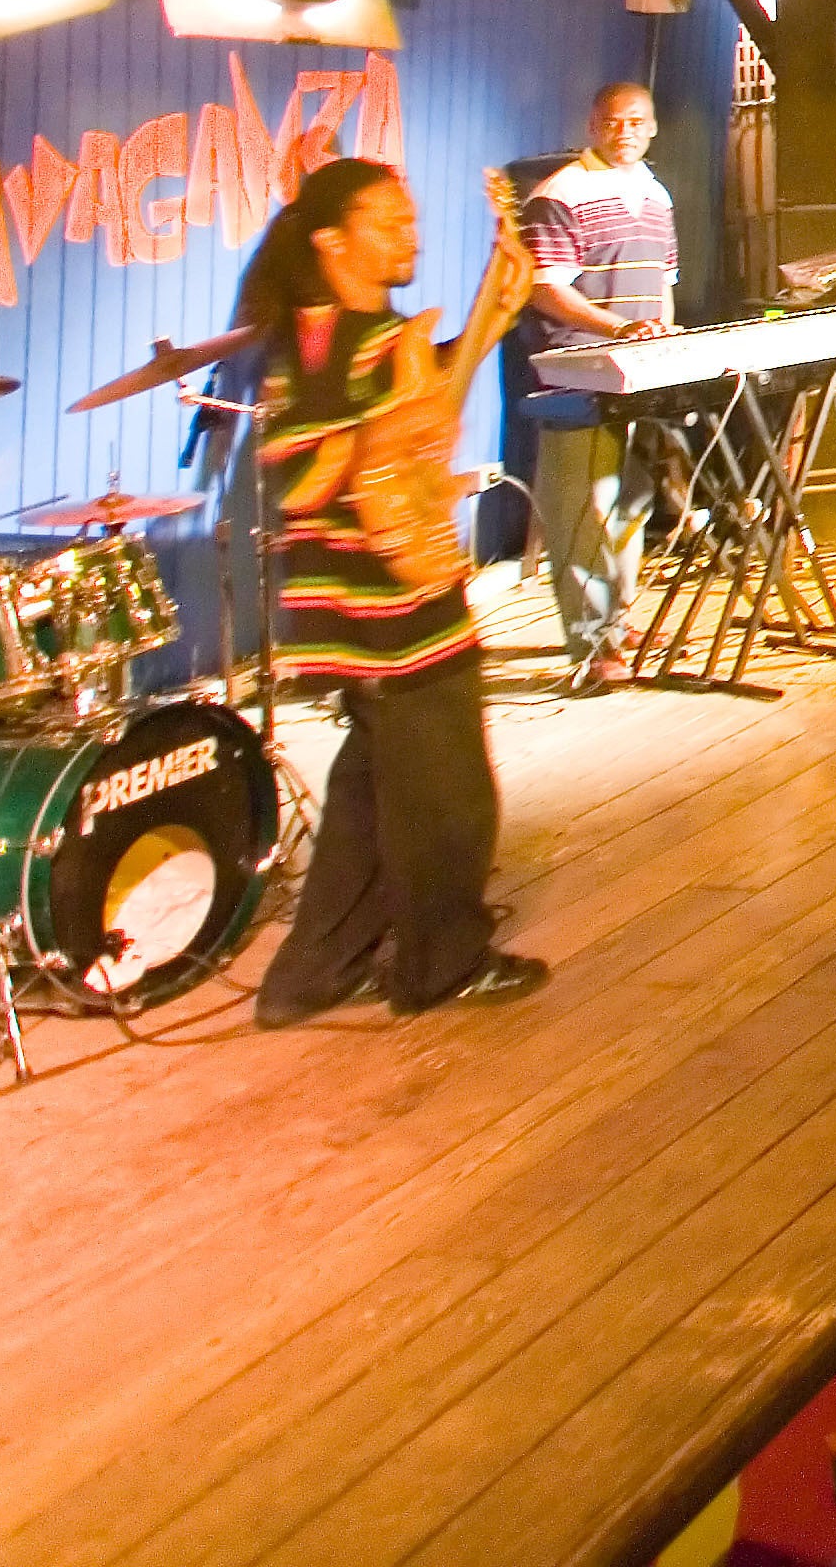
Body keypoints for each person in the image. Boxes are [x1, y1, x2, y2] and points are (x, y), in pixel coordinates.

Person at [248, 155, 546, 1025]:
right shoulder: (322, 336)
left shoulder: (378, 334)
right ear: (332, 240)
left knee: (378, 782)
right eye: (388, 221)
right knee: (447, 789)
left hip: (385, 591)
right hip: (382, 597)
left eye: (411, 219)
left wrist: (493, 315)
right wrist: (383, 427)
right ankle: (439, 965)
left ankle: (310, 974)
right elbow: (299, 475)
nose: (408, 233)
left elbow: (424, 416)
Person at [515, 78, 680, 695]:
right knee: (583, 511)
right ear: (593, 124)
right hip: (579, 372)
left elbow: (662, 281)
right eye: (614, 122)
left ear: (654, 127)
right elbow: (545, 287)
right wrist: (621, 329)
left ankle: (621, 621)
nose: (626, 132)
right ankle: (591, 646)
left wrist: (664, 335)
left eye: (638, 122)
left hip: (639, 373)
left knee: (630, 502)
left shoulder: (656, 194)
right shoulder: (560, 194)